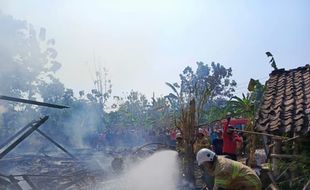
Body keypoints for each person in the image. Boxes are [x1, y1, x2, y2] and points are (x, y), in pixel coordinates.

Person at [196, 148, 262, 190]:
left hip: (251, 184)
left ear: (209, 160)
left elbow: (219, 188)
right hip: (245, 181)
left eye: (204, 164)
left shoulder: (221, 169)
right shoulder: (218, 161)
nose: (205, 167)